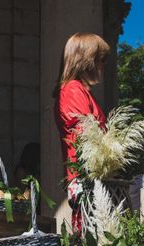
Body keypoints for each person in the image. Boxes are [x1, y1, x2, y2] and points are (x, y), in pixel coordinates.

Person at [54, 32, 110, 234]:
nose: (103, 65)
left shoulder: (79, 90)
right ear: (88, 60)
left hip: (89, 178)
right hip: (85, 178)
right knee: (91, 243)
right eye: (101, 59)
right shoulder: (72, 90)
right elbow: (85, 137)